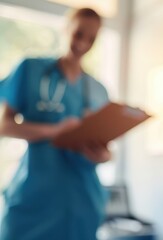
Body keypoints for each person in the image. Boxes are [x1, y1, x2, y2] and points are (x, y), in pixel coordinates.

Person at [0, 8, 111, 240]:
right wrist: (55, 131)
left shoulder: (99, 91)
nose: (83, 43)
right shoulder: (31, 70)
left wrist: (104, 156)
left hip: (83, 203)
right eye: (78, 34)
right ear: (66, 29)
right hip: (34, 199)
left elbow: (105, 148)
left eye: (91, 39)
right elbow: (4, 126)